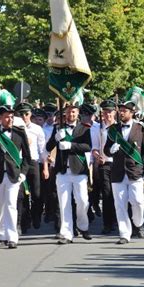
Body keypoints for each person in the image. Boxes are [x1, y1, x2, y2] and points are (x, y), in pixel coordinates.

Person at [104, 101, 144, 244]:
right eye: (120, 110)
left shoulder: (141, 129)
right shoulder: (113, 129)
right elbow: (106, 150)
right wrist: (110, 150)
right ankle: (124, 234)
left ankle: (138, 223)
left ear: (132, 113)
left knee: (137, 201)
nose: (121, 113)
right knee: (120, 204)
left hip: (135, 171)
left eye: (125, 111)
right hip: (118, 172)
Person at [46, 102, 92, 244]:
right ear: (65, 113)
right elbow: (48, 147)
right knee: (64, 203)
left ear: (78, 113)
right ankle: (66, 233)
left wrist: (71, 145)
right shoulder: (58, 127)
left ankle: (82, 225)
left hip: (79, 170)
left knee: (83, 201)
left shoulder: (84, 128)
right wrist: (55, 138)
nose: (71, 115)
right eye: (68, 112)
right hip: (62, 171)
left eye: (74, 112)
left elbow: (87, 146)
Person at [0, 100, 31, 249]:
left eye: (12, 117)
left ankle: (12, 237)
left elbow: (27, 156)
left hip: (14, 174)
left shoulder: (20, 133)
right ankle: (1, 235)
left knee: (11, 205)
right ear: (0, 117)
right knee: (0, 206)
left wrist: (24, 173)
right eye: (6, 117)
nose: (10, 119)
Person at [15, 103, 49, 230]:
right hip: (19, 162)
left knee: (36, 193)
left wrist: (45, 167)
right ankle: (24, 220)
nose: (24, 116)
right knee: (22, 194)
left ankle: (36, 215)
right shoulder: (15, 128)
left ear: (31, 115)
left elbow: (42, 150)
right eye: (21, 114)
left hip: (33, 162)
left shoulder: (37, 129)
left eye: (27, 114)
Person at [91, 100, 117, 234]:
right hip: (104, 163)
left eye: (110, 111)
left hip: (118, 165)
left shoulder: (118, 127)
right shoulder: (98, 129)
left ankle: (117, 220)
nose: (108, 114)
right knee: (106, 194)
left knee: (117, 194)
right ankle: (107, 223)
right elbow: (94, 148)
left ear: (114, 112)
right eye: (105, 112)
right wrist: (97, 156)